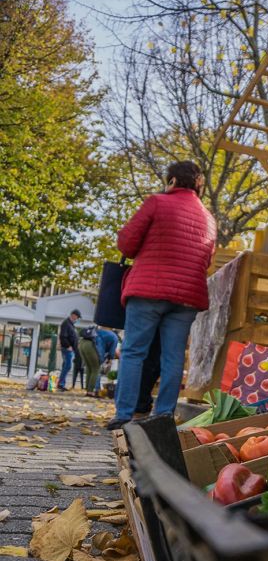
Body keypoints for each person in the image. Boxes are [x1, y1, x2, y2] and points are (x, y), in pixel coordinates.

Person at [106, 161, 216, 431]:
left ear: (173, 181)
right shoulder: (209, 218)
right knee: (173, 356)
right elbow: (207, 259)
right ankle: (164, 415)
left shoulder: (157, 202)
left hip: (149, 290)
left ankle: (125, 414)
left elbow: (127, 244)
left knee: (133, 352)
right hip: (186, 296)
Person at [57, 310, 81, 391]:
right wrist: (68, 346)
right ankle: (60, 384)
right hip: (67, 349)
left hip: (70, 349)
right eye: (77, 317)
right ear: (73, 315)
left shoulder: (70, 324)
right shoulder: (66, 323)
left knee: (65, 366)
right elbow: (63, 336)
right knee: (68, 366)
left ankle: (61, 383)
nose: (77, 319)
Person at [92, 327, 120, 397]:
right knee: (97, 371)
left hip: (90, 348)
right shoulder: (115, 338)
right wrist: (110, 359)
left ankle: (90, 389)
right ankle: (97, 390)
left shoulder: (102, 332)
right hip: (99, 352)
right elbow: (112, 351)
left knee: (93, 370)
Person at [78, 326, 101, 397]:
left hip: (81, 343)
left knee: (89, 368)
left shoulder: (92, 328)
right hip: (89, 345)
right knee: (96, 369)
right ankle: (90, 391)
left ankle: (88, 390)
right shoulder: (107, 333)